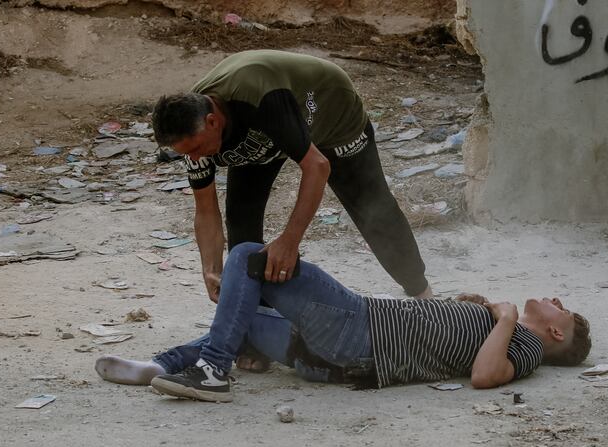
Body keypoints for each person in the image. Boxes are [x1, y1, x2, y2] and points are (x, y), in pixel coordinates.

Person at [95, 242, 592, 402]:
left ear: (555, 333)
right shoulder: (504, 332)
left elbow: (485, 377)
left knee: (250, 255)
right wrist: (474, 308)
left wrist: (503, 317)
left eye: (560, 307)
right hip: (338, 360)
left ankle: (212, 370)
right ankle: (156, 366)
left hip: (361, 328)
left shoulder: (525, 349)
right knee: (244, 316)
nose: (552, 299)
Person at [151, 50, 432, 309]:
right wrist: (211, 269)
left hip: (330, 113)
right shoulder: (192, 133)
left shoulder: (259, 99)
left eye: (198, 149)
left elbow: (317, 166)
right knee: (241, 219)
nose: (197, 158)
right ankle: (255, 320)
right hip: (263, 134)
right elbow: (206, 209)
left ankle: (424, 296)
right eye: (188, 154)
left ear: (213, 121)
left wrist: (289, 241)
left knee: (373, 209)